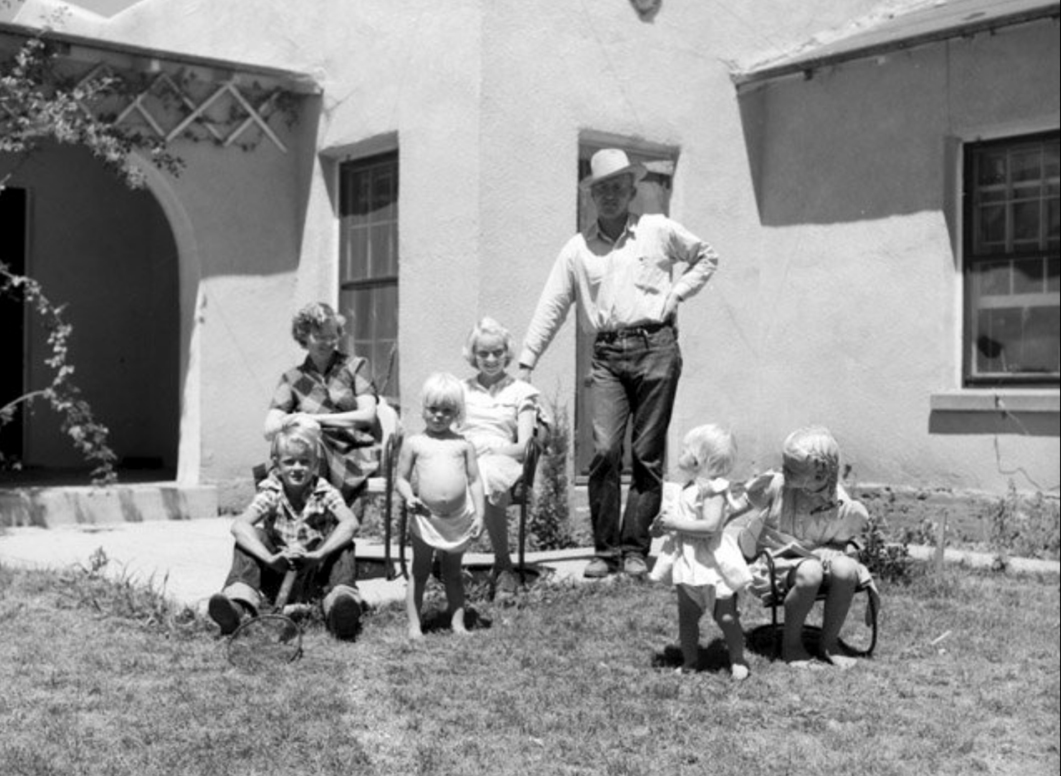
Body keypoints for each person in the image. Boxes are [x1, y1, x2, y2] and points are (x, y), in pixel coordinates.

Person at [518, 148, 719, 579]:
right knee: (605, 451)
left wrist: (676, 293)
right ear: (592, 196)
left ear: (631, 189)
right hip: (607, 354)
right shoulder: (578, 248)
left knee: (646, 455)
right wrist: (526, 362)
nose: (608, 195)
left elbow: (706, 256)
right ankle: (605, 551)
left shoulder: (658, 229)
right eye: (600, 189)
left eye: (616, 186)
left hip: (657, 348)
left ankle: (634, 548)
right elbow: (552, 305)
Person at [208, 417, 363, 639]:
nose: (298, 468)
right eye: (290, 462)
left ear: (315, 464)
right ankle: (237, 605)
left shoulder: (324, 490)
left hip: (313, 572)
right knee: (253, 536)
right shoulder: (271, 491)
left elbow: (350, 523)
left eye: (304, 462)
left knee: (342, 541)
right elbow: (239, 525)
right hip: (277, 573)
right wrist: (271, 559)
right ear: (277, 464)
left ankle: (341, 607)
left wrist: (318, 554)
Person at [743, 425, 881, 668]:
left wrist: (833, 548)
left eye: (792, 469)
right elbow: (743, 506)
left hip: (818, 559)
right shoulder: (779, 486)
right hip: (778, 563)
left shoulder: (838, 500)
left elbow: (840, 537)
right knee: (810, 572)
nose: (785, 471)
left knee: (846, 569)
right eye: (785, 466)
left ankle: (828, 643)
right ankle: (792, 645)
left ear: (821, 475)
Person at [649, 424, 752, 678]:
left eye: (686, 449)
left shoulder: (712, 490)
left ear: (700, 459)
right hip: (687, 562)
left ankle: (738, 658)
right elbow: (671, 521)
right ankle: (690, 660)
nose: (681, 453)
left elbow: (710, 526)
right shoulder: (684, 488)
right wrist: (659, 527)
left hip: (712, 562)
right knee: (687, 617)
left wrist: (675, 523)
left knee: (726, 616)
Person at [396, 372, 486, 639]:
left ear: (457, 413)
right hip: (426, 517)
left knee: (454, 572)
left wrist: (480, 514)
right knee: (420, 570)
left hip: (458, 519)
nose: (438, 416)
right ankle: (414, 625)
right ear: (423, 409)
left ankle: (458, 623)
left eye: (447, 411)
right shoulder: (415, 443)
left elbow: (475, 481)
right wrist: (409, 497)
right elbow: (400, 478)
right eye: (433, 409)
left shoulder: (463, 445)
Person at [264, 302, 379, 506]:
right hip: (310, 453)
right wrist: (292, 421)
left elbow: (367, 416)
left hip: (354, 453)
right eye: (320, 337)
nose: (328, 343)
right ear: (303, 337)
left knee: (306, 450)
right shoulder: (292, 378)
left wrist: (313, 419)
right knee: (296, 450)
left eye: (332, 336)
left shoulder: (356, 366)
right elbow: (270, 427)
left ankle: (299, 514)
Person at [458, 317, 541, 602]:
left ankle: (503, 564)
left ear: (507, 353)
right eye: (483, 353)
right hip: (464, 456)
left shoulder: (522, 392)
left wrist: (492, 452)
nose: (491, 359)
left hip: (503, 460)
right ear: (473, 355)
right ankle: (448, 563)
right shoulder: (460, 390)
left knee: (484, 472)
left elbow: (525, 446)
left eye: (497, 352)